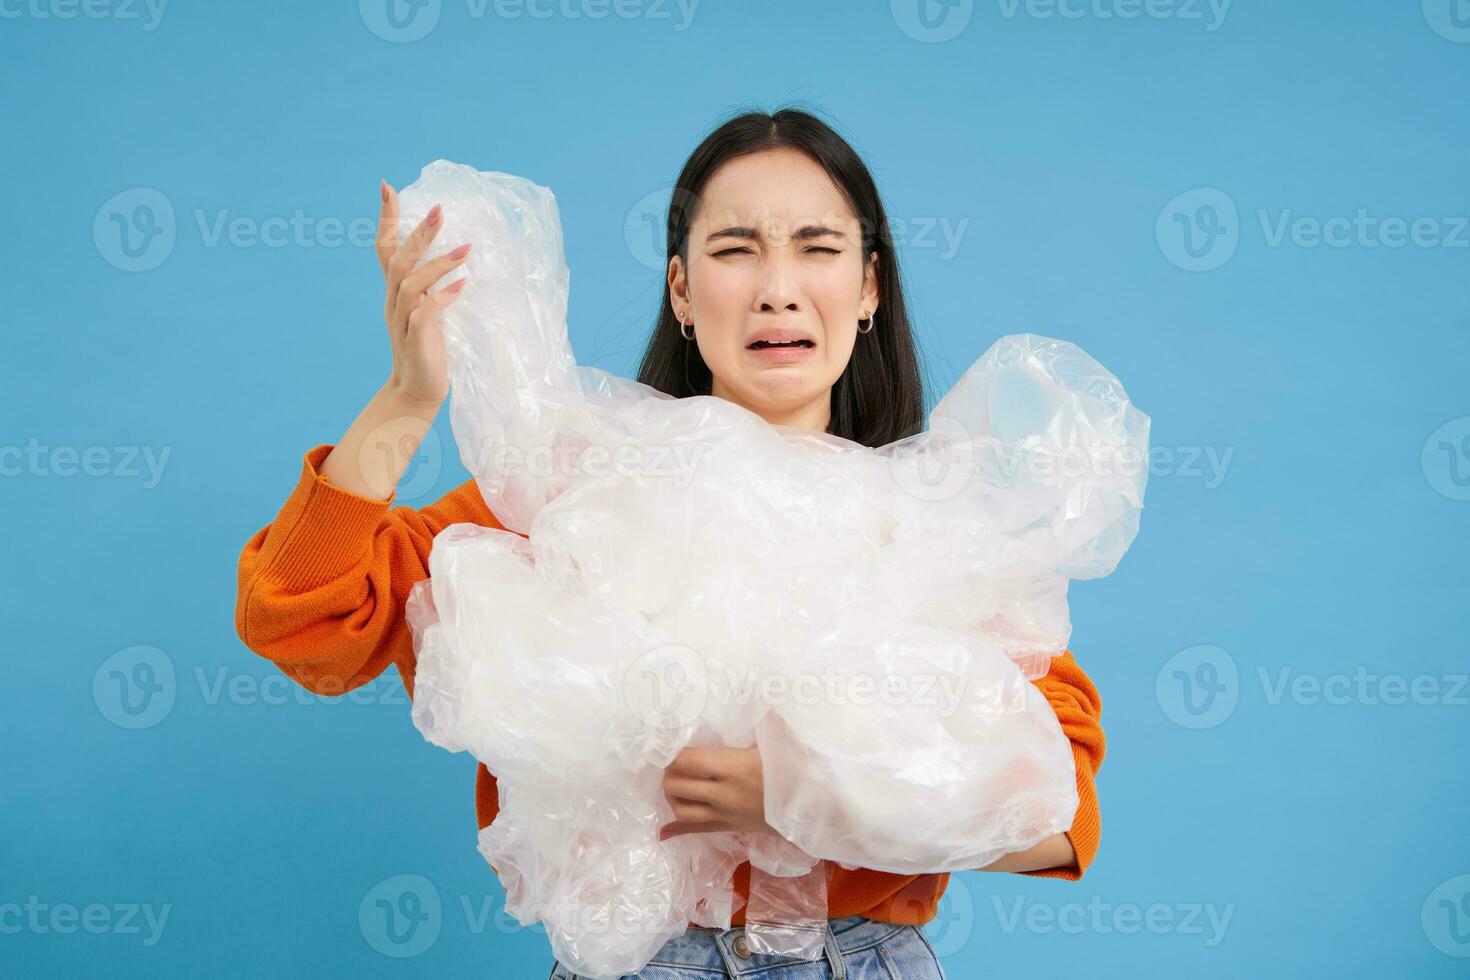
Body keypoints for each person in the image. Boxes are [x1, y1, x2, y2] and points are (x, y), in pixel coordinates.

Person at [234, 106, 1105, 979]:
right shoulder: (575, 493)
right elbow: (300, 616)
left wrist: (815, 796)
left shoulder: (938, 527)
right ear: (683, 291)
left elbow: (1059, 819)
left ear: (869, 287)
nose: (777, 287)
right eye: (734, 250)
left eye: (817, 246)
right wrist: (408, 398)